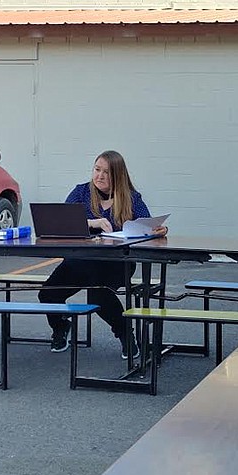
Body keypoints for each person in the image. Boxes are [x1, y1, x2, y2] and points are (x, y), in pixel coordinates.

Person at [38, 150, 167, 357]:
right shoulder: (81, 192)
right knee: (47, 294)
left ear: (117, 175)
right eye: (97, 170)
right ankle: (61, 327)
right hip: (80, 260)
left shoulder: (132, 198)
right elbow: (61, 221)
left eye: (106, 172)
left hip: (116, 262)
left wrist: (160, 230)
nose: (99, 176)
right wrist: (91, 223)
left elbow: (147, 225)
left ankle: (125, 333)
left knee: (97, 294)